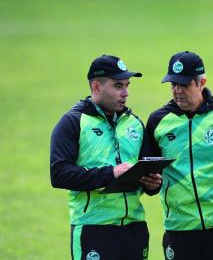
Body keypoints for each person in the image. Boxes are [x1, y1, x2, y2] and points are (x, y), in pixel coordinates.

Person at [50, 54, 162, 260]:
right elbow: (59, 174)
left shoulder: (134, 124)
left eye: (127, 85)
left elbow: (147, 169)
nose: (126, 93)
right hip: (93, 229)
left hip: (134, 229)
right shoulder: (73, 122)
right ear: (96, 87)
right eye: (118, 86)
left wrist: (152, 183)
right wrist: (110, 174)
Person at [146, 51, 213, 260]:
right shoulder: (158, 121)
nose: (177, 91)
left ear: (201, 82)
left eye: (184, 85)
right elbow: (152, 172)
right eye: (173, 85)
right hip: (180, 227)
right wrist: (152, 184)